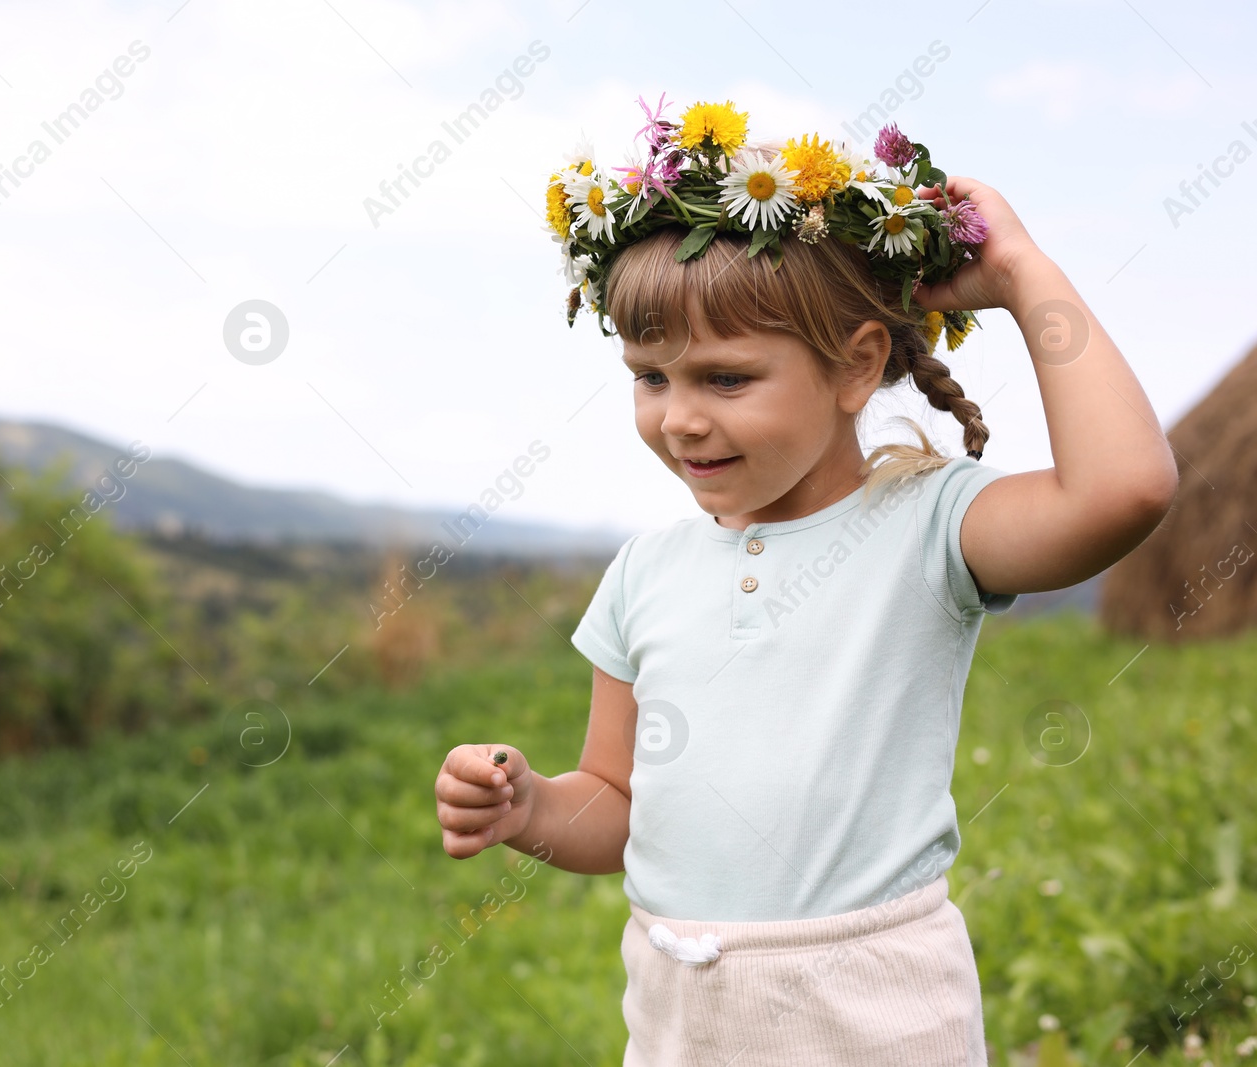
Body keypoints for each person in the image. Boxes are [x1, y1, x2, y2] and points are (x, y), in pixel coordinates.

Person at [432, 101, 1178, 1065]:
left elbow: (1124, 489)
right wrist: (531, 808)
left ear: (858, 365)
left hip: (876, 1009)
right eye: (651, 377)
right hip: (680, 1010)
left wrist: (1024, 274)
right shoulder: (644, 572)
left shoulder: (928, 524)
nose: (681, 419)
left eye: (727, 378)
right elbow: (619, 801)